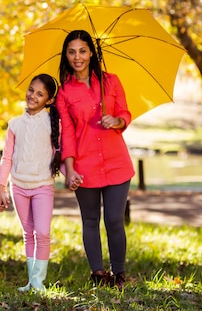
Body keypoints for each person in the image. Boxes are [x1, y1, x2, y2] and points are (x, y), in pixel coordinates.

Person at [55, 29, 134, 289]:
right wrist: (69, 169)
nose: (77, 57)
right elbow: (66, 132)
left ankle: (119, 273)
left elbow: (125, 112)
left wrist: (117, 120)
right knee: (90, 220)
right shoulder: (64, 93)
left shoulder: (111, 82)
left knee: (114, 219)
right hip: (84, 165)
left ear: (91, 53)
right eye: (71, 51)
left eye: (82, 51)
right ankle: (99, 275)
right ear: (66, 56)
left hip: (116, 162)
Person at [0, 73, 61, 292]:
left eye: (40, 94)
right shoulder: (14, 124)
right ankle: (31, 281)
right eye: (31, 90)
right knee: (28, 233)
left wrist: (71, 174)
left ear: (49, 100)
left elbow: (59, 155)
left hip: (43, 185)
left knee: (42, 232)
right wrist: (1, 187)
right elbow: (6, 158)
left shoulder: (54, 124)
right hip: (19, 187)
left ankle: (38, 282)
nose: (33, 96)